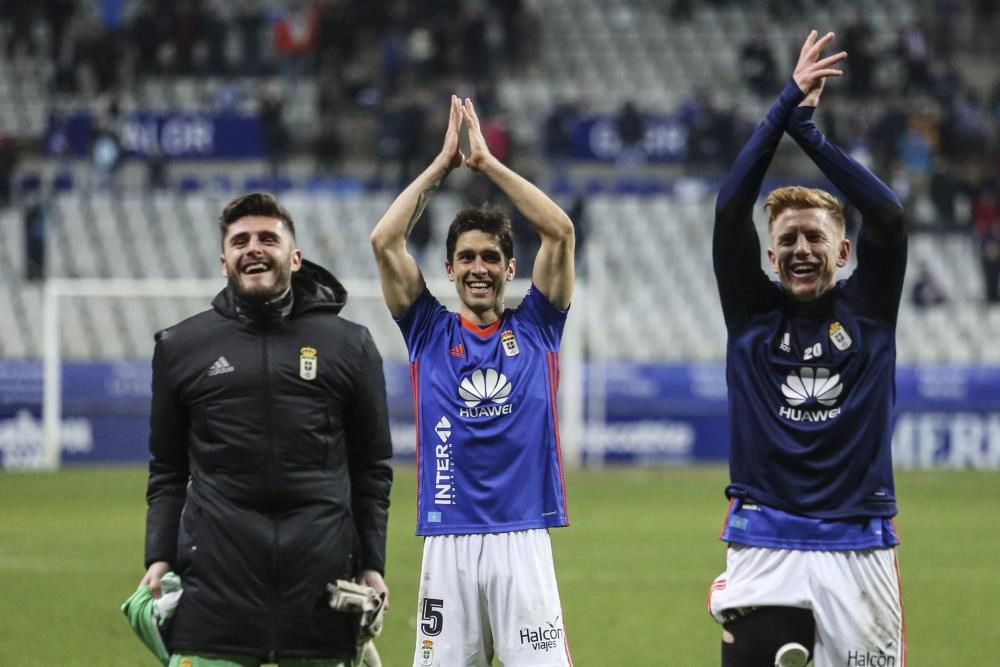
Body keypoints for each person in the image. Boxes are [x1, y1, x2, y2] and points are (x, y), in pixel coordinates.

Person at [708, 32, 907, 667]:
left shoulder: (870, 310)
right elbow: (731, 207)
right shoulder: (751, 313)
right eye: (788, 238)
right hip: (764, 543)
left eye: (816, 239)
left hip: (861, 546)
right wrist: (785, 107)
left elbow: (889, 216)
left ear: (842, 253)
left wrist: (809, 135)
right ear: (771, 254)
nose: (800, 250)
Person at [139, 192, 393, 666]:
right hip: (214, 595)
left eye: (267, 238)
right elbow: (168, 470)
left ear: (294, 258)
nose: (253, 247)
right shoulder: (179, 347)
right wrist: (159, 555)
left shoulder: (351, 345)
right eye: (240, 240)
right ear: (223, 261)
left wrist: (372, 564)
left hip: (319, 595)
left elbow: (371, 469)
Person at [370, 95, 575, 666]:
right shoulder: (426, 330)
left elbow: (559, 232)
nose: (478, 268)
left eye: (490, 257)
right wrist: (441, 166)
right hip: (447, 541)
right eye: (466, 258)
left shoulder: (539, 326)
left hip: (523, 537)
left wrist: (485, 164)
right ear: (449, 268)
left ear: (511, 267)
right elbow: (384, 241)